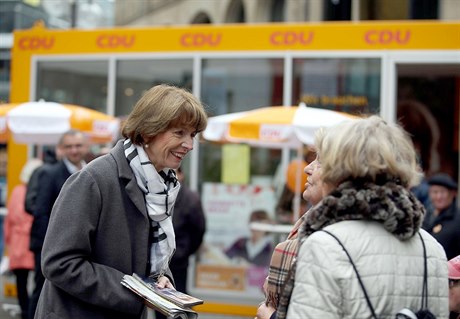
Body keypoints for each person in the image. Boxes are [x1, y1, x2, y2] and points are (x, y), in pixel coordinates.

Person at [34, 84, 208, 319]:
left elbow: (145, 258)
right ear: (148, 131)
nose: (189, 145)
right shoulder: (94, 179)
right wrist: (137, 291)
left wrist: (159, 279)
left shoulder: (160, 185)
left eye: (192, 135)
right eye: (179, 133)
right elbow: (59, 263)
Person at [277, 115, 449, 318]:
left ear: (341, 170)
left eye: (325, 161)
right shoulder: (432, 249)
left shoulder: (325, 245)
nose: (308, 168)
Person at [257, 148, 324, 319]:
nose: (307, 167)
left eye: (320, 161)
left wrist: (272, 317)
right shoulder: (311, 221)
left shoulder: (327, 236)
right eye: (312, 158)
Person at [28, 129, 88, 319]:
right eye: (69, 146)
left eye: (78, 145)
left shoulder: (93, 172)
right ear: (61, 149)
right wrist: (53, 243)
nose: (74, 150)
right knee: (42, 291)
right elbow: (41, 212)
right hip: (49, 245)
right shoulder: (50, 173)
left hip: (82, 247)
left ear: (85, 147)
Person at [3, 158, 42, 319]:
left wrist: (8, 240)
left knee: (22, 279)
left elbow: (11, 217)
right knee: (36, 280)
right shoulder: (38, 190)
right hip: (31, 239)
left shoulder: (18, 190)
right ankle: (30, 311)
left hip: (19, 241)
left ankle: (25, 310)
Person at [170, 166, 206, 293]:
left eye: (173, 173)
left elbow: (199, 229)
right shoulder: (156, 193)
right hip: (157, 260)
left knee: (177, 295)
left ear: (181, 175)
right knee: (159, 303)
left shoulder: (190, 199)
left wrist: (184, 251)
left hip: (178, 260)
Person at [423, 172, 460, 260]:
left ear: (453, 193)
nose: (438, 197)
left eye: (443, 192)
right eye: (435, 192)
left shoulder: (457, 220)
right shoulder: (424, 216)